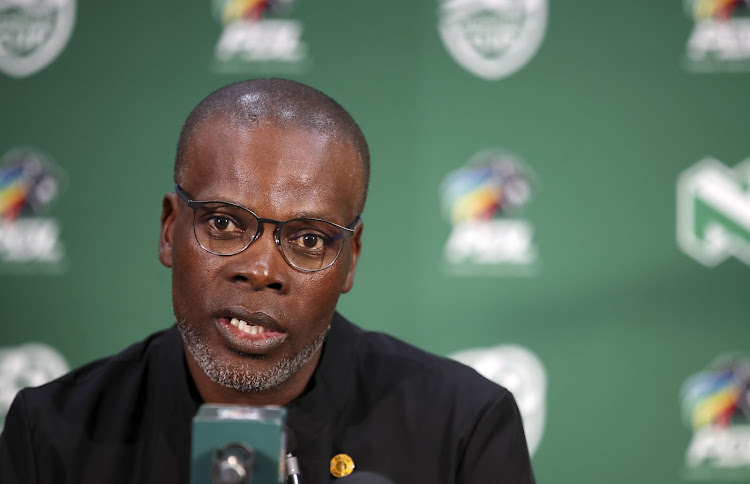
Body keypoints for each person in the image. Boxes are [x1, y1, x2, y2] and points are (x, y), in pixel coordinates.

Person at [0, 79, 535, 483]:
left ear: (350, 260)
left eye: (308, 240)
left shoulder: (463, 427)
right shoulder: (51, 433)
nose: (260, 271)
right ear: (170, 229)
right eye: (225, 224)